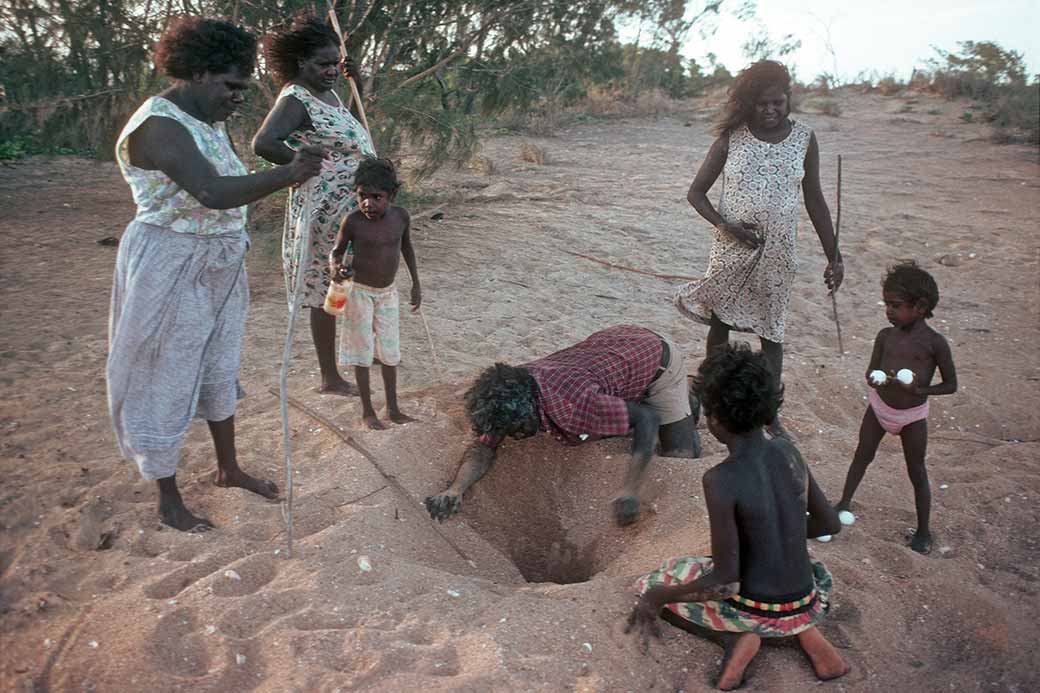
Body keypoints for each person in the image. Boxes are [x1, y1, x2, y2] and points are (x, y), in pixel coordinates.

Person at [107, 17, 325, 532]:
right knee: (166, 375)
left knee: (217, 365)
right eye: (232, 86)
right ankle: (168, 496)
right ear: (198, 73)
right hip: (170, 263)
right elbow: (210, 191)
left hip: (220, 263)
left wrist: (290, 167)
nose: (239, 99)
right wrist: (289, 173)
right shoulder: (159, 126)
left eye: (244, 89)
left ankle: (228, 468)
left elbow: (229, 183)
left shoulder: (206, 117)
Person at [625, 343, 848, 690]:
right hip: (806, 597)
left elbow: (726, 582)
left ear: (714, 419)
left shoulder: (720, 479)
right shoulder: (789, 452)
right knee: (787, 583)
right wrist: (776, 536)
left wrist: (657, 597)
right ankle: (808, 634)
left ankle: (735, 640)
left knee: (658, 581)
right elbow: (829, 524)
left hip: (756, 606)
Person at [674, 59, 843, 440]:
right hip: (731, 249)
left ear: (788, 99)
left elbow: (815, 201)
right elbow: (695, 193)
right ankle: (707, 400)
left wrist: (835, 255)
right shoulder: (732, 138)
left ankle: (768, 414)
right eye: (762, 103)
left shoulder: (804, 139)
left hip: (779, 252)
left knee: (772, 332)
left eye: (777, 103)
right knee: (721, 326)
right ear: (750, 103)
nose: (770, 110)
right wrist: (726, 225)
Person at [424, 325, 702, 526]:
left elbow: (647, 420)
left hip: (655, 358)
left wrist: (630, 489)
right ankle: (652, 401)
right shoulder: (511, 386)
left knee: (681, 454)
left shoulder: (576, 407)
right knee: (603, 422)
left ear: (530, 411)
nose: (513, 438)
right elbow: (484, 446)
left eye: (515, 432)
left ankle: (687, 400)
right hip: (612, 351)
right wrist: (456, 489)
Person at [253, 13, 376, 396]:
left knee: (348, 282)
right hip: (325, 211)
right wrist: (305, 164)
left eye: (335, 63)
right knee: (326, 287)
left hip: (352, 208)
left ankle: (354, 358)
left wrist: (358, 84)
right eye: (323, 64)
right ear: (300, 62)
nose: (331, 70)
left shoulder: (333, 94)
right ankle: (329, 377)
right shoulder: (296, 97)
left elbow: (347, 135)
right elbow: (264, 143)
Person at [835, 261, 957, 555]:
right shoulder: (885, 336)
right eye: (887, 304)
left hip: (912, 416)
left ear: (920, 306)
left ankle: (924, 531)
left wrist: (919, 390)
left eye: (896, 305)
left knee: (916, 470)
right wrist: (876, 379)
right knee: (862, 456)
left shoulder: (935, 344)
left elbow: (950, 385)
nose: (889, 311)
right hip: (879, 409)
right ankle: (843, 503)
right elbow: (871, 372)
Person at [328, 157, 421, 429]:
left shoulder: (401, 217)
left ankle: (392, 409)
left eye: (377, 197)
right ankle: (368, 411)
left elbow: (407, 248)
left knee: (390, 352)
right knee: (362, 351)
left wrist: (416, 282)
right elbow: (337, 251)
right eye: (362, 196)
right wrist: (336, 268)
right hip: (359, 293)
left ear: (392, 195)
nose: (368, 203)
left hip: (388, 293)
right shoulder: (353, 222)